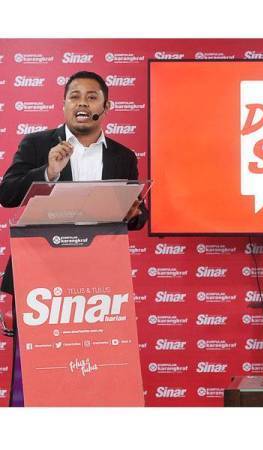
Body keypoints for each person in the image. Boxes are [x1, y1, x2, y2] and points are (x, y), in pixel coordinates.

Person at [0, 71, 147, 406]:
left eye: (92, 97)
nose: (82, 103)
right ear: (64, 104)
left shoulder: (122, 156)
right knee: (38, 374)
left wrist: (134, 212)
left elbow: (139, 214)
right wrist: (48, 172)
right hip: (40, 280)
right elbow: (6, 194)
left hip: (97, 285)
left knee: (93, 374)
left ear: (106, 107)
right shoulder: (38, 144)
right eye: (74, 96)